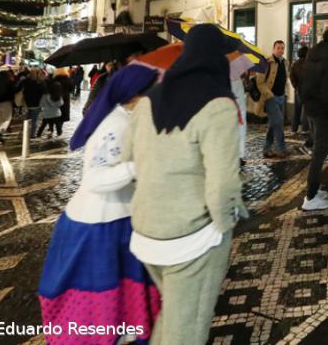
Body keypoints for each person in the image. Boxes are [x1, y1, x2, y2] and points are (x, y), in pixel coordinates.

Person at [128, 25, 245, 345]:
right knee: (187, 331)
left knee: (172, 317)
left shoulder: (149, 100)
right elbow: (222, 183)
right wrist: (222, 227)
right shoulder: (218, 104)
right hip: (192, 234)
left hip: (146, 231)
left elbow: (130, 160)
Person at [37, 63, 163, 342]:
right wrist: (138, 167)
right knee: (100, 303)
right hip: (98, 228)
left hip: (117, 222)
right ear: (135, 95)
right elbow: (96, 178)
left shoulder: (126, 119)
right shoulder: (114, 124)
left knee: (122, 300)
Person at [299, 28, 328, 211]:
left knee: (318, 152)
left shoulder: (312, 57)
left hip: (311, 110)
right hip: (324, 113)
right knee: (320, 153)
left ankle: (315, 189)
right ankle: (310, 197)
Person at [249, 40, 289, 159]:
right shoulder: (266, 62)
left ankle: (266, 149)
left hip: (281, 97)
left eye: (282, 48)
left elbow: (285, 78)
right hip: (270, 97)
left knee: (273, 124)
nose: (281, 50)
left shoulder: (285, 62)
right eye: (278, 48)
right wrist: (269, 94)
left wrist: (285, 93)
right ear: (273, 49)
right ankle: (281, 149)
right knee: (279, 121)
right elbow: (260, 82)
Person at [289, 45, 310, 139]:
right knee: (305, 111)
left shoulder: (295, 64)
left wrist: (295, 86)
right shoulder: (309, 63)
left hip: (298, 90)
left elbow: (291, 77)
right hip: (307, 90)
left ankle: (293, 129)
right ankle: (304, 130)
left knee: (296, 110)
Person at [20, 68, 47, 139]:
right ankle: (32, 135)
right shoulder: (41, 83)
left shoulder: (25, 81)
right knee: (34, 121)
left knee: (26, 119)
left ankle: (23, 133)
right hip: (36, 105)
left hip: (26, 103)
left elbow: (20, 89)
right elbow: (44, 92)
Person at [0, 69, 16, 143]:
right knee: (7, 119)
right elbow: (12, 93)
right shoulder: (10, 82)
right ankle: (0, 133)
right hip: (6, 103)